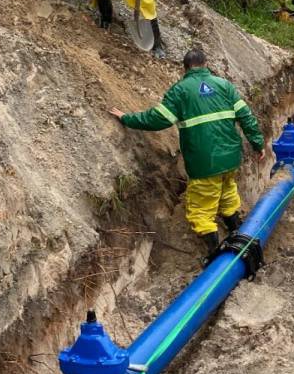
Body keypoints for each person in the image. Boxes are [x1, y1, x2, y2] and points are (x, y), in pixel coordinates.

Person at [109, 48, 265, 258]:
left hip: (204, 163)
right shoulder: (224, 85)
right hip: (230, 157)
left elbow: (157, 119)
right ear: (206, 63)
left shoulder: (180, 90)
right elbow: (247, 117)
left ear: (185, 68)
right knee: (228, 191)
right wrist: (258, 144)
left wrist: (127, 118)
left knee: (201, 209)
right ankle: (236, 228)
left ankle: (215, 254)